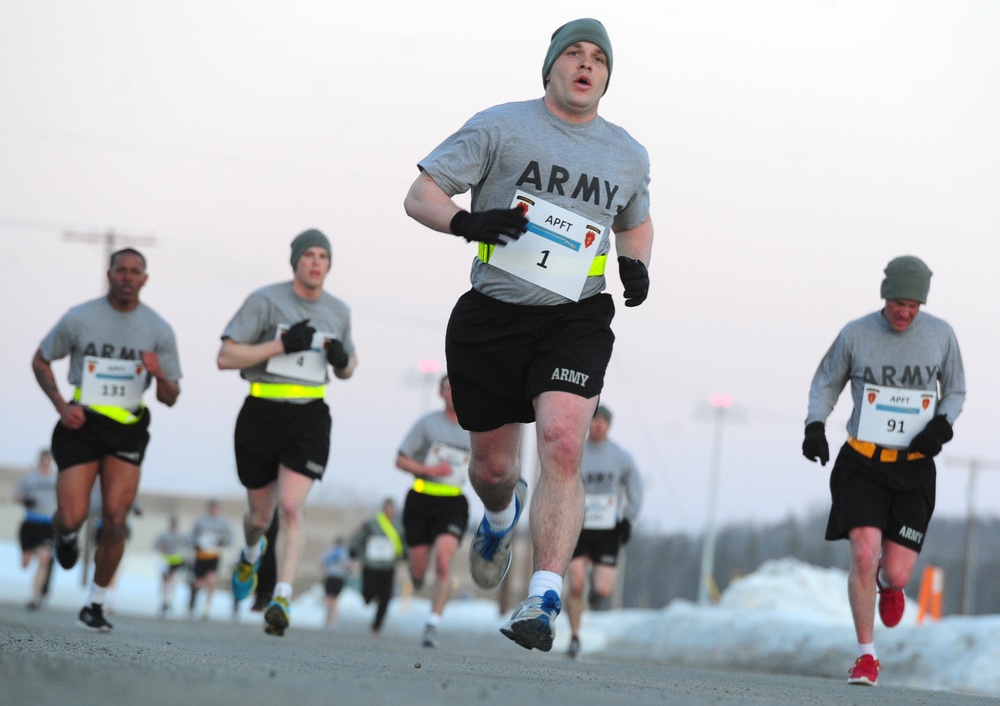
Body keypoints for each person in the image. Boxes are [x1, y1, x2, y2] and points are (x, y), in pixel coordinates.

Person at [403, 18, 652, 652]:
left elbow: (636, 223)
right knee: (492, 467)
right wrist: (466, 221)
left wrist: (635, 264)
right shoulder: (501, 125)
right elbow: (420, 194)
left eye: (599, 57)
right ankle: (497, 512)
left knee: (564, 444)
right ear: (551, 67)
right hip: (492, 317)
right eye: (574, 52)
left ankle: (543, 593)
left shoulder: (627, 153)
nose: (586, 64)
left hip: (576, 319)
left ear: (606, 77)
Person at [802, 256, 965, 687]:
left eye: (913, 306)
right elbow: (825, 383)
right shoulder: (857, 334)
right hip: (863, 462)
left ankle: (889, 586)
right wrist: (815, 425)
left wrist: (942, 425)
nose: (904, 313)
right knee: (862, 552)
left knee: (897, 572)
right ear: (885, 295)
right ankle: (866, 657)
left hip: (913, 469)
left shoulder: (941, 335)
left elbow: (956, 391)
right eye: (898, 303)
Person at [31, 247, 181, 633]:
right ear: (109, 274)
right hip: (81, 424)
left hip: (128, 428)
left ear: (145, 279)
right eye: (121, 270)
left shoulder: (159, 329)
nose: (128, 277)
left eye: (136, 272)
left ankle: (95, 604)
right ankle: (64, 534)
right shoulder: (81, 318)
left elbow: (170, 397)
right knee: (73, 515)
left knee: (115, 518)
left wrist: (159, 375)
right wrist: (62, 405)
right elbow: (41, 359)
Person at [218, 229, 357, 637]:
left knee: (292, 509)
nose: (316, 262)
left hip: (310, 417)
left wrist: (343, 360)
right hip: (261, 413)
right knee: (260, 517)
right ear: (295, 261)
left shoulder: (338, 311)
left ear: (329, 265)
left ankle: (281, 596)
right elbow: (226, 356)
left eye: (323, 256)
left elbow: (347, 369)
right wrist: (278, 347)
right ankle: (249, 554)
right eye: (309, 255)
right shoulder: (266, 301)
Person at [395, 374, 471, 648]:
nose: (453, 394)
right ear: (440, 394)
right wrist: (429, 470)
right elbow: (400, 460)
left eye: (458, 389)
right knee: (419, 567)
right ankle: (416, 577)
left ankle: (432, 624)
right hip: (421, 500)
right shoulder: (427, 425)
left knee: (443, 560)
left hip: (453, 503)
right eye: (448, 389)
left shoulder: (475, 428)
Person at [565, 405, 643, 658]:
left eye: (603, 421)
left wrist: (628, 519)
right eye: (594, 420)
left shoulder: (620, 456)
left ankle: (596, 592)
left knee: (603, 589)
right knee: (575, 585)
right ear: (587, 423)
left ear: (609, 426)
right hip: (578, 526)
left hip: (607, 530)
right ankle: (575, 636)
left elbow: (635, 488)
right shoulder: (575, 452)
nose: (598, 425)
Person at [349, 498, 407, 635]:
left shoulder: (399, 526)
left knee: (386, 596)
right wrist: (353, 549)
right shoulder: (372, 524)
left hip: (388, 566)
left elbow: (404, 543)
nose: (389, 511)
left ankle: (377, 623)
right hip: (371, 565)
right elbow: (359, 536)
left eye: (391, 508)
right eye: (387, 508)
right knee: (369, 591)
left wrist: (406, 554)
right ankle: (368, 597)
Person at [13, 449, 58, 610]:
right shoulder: (29, 478)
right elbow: (16, 495)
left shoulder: (57, 479)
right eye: (43, 461)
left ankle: (36, 596)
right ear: (39, 461)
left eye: (48, 461)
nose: (45, 464)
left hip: (47, 524)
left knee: (44, 559)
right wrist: (25, 500)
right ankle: (29, 553)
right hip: (30, 523)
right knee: (25, 563)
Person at [188, 499, 233, 620]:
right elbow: (192, 536)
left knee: (212, 579)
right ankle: (192, 599)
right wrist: (196, 543)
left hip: (213, 555)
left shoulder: (223, 522)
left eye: (215, 508)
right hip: (201, 555)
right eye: (212, 508)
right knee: (198, 582)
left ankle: (206, 608)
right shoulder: (201, 521)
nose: (213, 510)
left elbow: (231, 538)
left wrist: (223, 541)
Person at [154, 516, 191, 618]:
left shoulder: (180, 535)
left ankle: (169, 599)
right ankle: (163, 599)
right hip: (165, 559)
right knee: (164, 580)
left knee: (172, 579)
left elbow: (188, 545)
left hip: (175, 560)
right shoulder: (164, 535)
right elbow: (156, 546)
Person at [319, 536, 351, 629]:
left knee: (328, 598)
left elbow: (322, 564)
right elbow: (349, 567)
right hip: (340, 578)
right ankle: (333, 619)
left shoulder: (329, 551)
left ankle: (328, 618)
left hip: (330, 576)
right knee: (336, 600)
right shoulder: (345, 553)